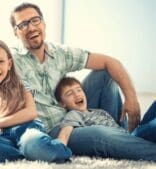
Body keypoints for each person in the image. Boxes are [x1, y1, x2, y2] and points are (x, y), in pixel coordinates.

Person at [9, 2, 156, 161]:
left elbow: (110, 62)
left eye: (35, 20)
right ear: (16, 33)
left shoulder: (60, 53)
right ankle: (131, 140)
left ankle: (124, 134)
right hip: (55, 130)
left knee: (104, 74)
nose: (31, 27)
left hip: (76, 113)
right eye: (23, 24)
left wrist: (131, 98)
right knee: (100, 133)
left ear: (43, 23)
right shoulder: (10, 60)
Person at [0, 38, 72, 163]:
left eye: (1, 62)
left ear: (9, 64)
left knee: (32, 143)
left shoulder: (20, 85)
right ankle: (24, 155)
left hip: (27, 132)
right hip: (2, 140)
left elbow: (31, 112)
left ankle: (55, 147)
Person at [54, 76, 156, 145]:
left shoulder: (99, 111)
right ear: (63, 104)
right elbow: (66, 130)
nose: (76, 94)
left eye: (78, 90)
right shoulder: (73, 114)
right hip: (127, 140)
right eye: (69, 93)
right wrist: (60, 145)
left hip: (129, 134)